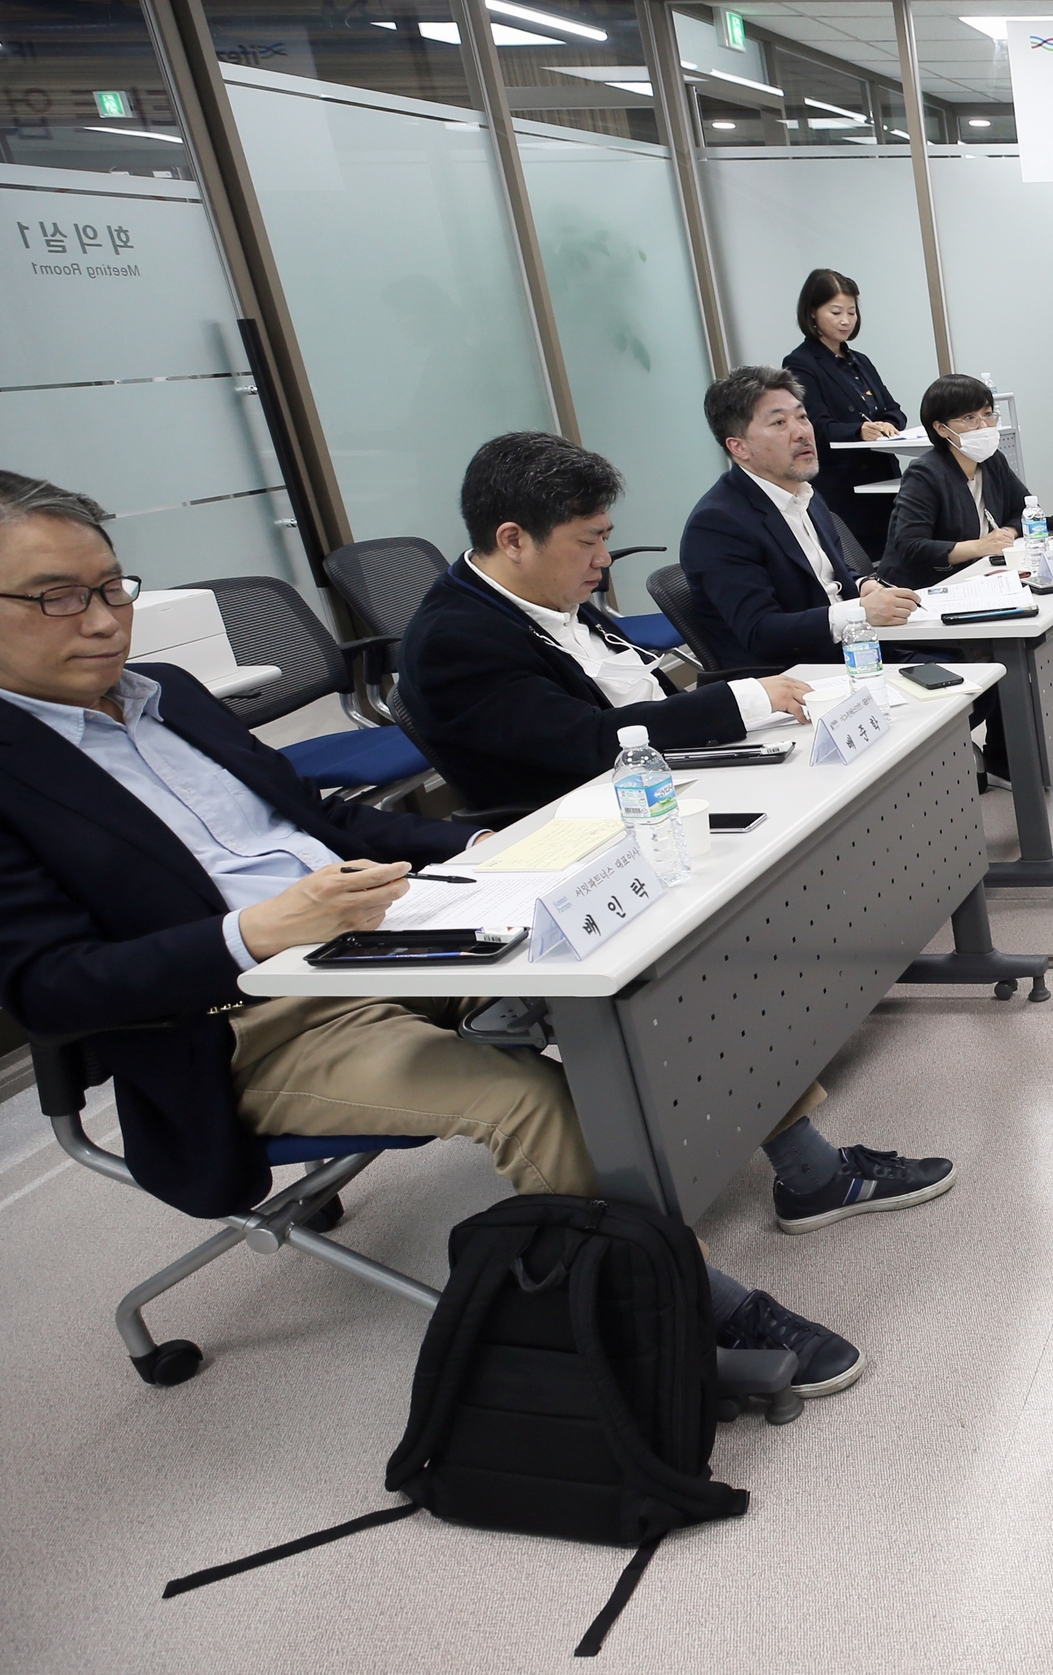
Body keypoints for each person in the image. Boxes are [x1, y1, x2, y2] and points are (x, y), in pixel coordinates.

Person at [0, 473, 953, 1400]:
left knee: (661, 968)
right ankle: (690, 1317)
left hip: (384, 929)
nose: (103, 620)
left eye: (112, 588)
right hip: (242, 1020)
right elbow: (46, 988)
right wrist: (249, 933)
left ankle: (809, 1173)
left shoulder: (166, 693)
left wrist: (469, 844)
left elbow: (319, 821)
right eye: (56, 598)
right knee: (526, 1097)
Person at [399, 432, 814, 810]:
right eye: (587, 540)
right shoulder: (454, 641)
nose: (603, 558)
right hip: (599, 819)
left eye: (605, 538)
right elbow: (586, 742)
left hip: (677, 774)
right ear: (513, 540)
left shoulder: (546, 591)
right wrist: (739, 700)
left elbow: (646, 694)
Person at [879, 373, 1053, 778]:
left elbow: (1024, 509)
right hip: (927, 600)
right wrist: (978, 546)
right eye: (969, 419)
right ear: (941, 429)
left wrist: (1009, 533)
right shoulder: (926, 473)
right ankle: (1002, 753)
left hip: (984, 583)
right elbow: (909, 545)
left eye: (987, 415)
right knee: (1024, 646)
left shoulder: (991, 461)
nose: (984, 426)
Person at [677, 364, 924, 672]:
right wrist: (860, 611)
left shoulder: (806, 493)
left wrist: (863, 586)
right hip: (799, 675)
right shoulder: (717, 524)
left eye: (803, 417)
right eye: (779, 422)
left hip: (859, 649)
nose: (802, 432)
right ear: (738, 447)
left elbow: (827, 573)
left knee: (971, 662)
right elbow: (760, 631)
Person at [782, 268, 909, 560]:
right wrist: (859, 431)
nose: (846, 320)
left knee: (898, 557)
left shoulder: (859, 361)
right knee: (862, 564)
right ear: (812, 312)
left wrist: (888, 424)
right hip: (845, 486)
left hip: (884, 477)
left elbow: (893, 409)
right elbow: (816, 426)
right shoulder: (800, 363)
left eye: (851, 312)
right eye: (836, 312)